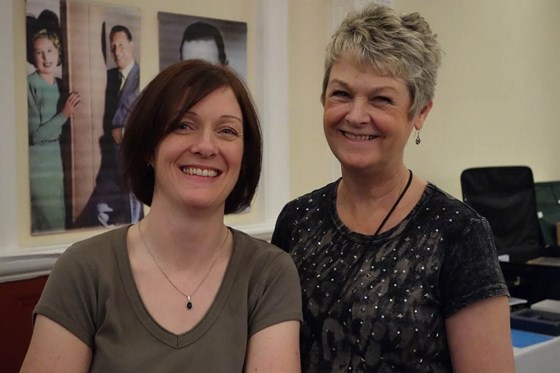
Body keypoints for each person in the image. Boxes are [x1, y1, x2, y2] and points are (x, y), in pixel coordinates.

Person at [271, 4, 515, 372]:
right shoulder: (297, 221)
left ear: (420, 112)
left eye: (380, 99)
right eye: (341, 94)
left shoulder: (459, 234)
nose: (355, 115)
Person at [20, 59, 302, 372]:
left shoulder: (269, 273)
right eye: (183, 125)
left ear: (244, 156)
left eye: (226, 130)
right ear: (147, 147)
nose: (206, 146)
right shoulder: (83, 269)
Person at [26, 10, 80, 233]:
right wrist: (64, 114)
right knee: (50, 225)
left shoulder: (61, 83)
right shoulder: (30, 84)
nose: (46, 58)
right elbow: (35, 136)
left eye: (50, 50)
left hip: (57, 164)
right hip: (39, 166)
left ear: (58, 53)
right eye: (39, 53)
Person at [87, 24, 143, 227]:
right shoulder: (110, 78)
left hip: (133, 155)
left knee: (133, 214)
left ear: (132, 45)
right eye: (113, 47)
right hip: (110, 158)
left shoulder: (143, 77)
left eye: (121, 45)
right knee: (101, 208)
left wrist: (126, 132)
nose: (117, 51)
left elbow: (153, 121)